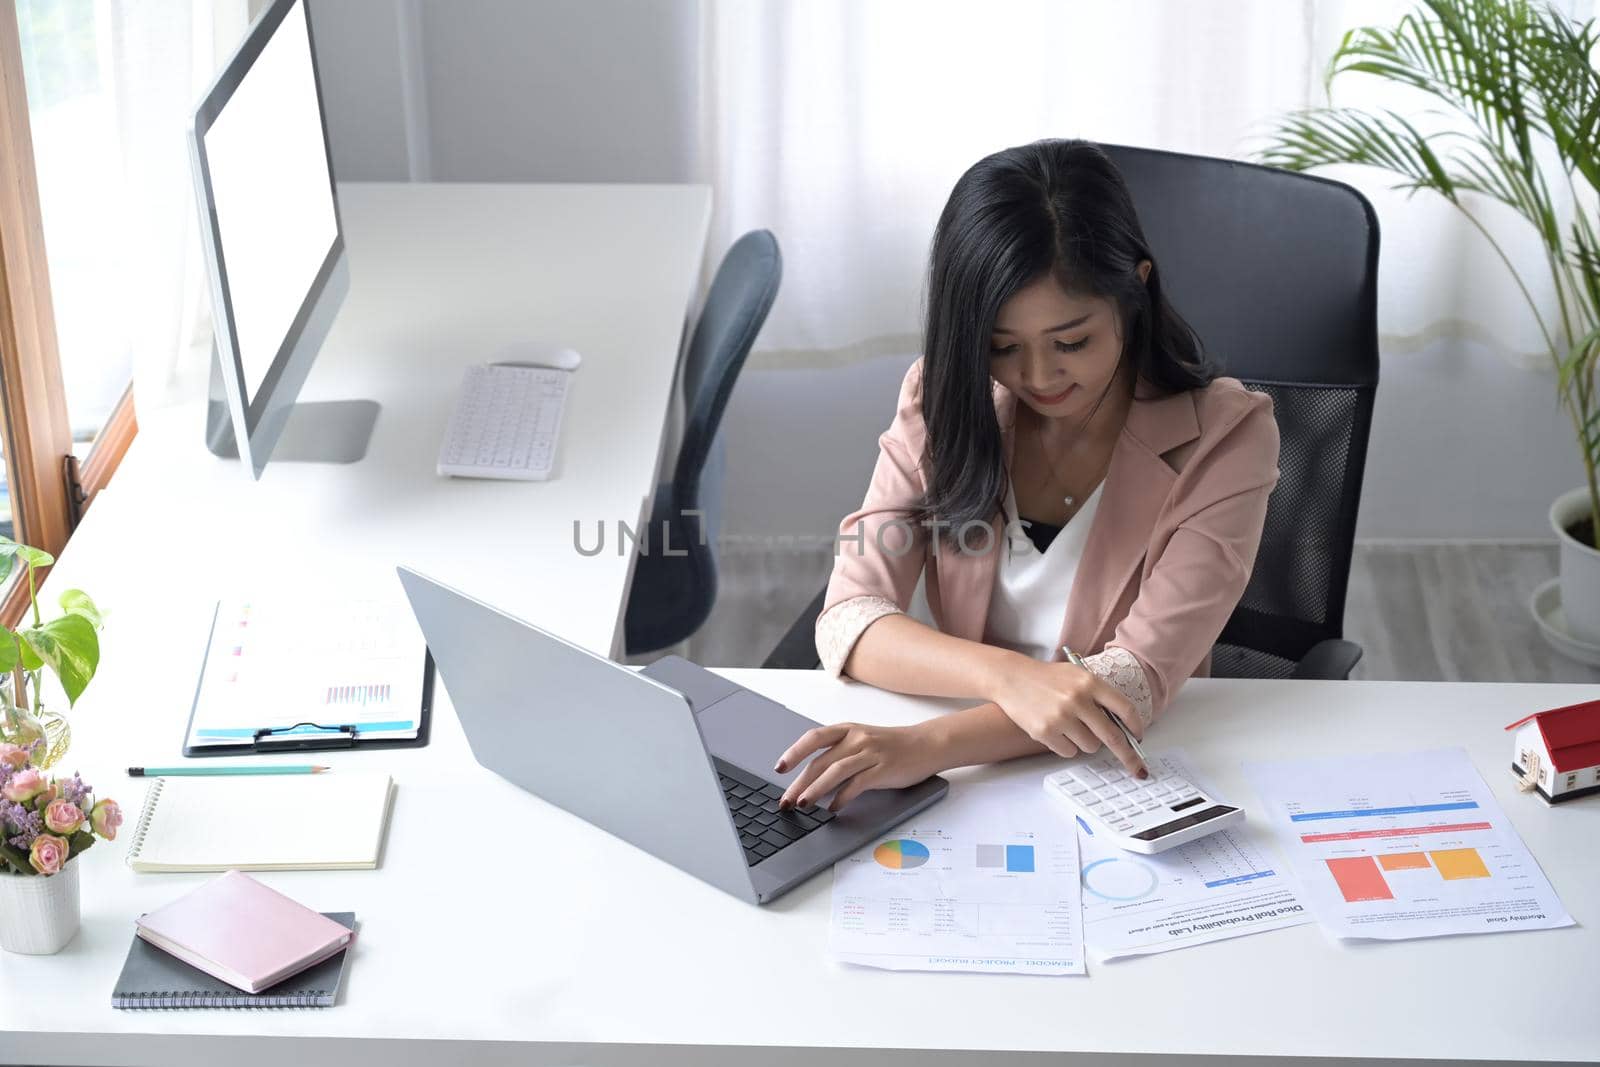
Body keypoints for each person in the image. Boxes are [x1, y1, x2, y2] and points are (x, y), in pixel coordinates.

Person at [775, 138, 1280, 813]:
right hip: (974, 767)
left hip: (1117, 773)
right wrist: (1012, 678)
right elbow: (848, 616)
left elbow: (1129, 680)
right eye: (1001, 347)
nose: (1038, 378)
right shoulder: (943, 396)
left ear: (1137, 289)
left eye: (1072, 342)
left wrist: (924, 747)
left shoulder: (1228, 434)